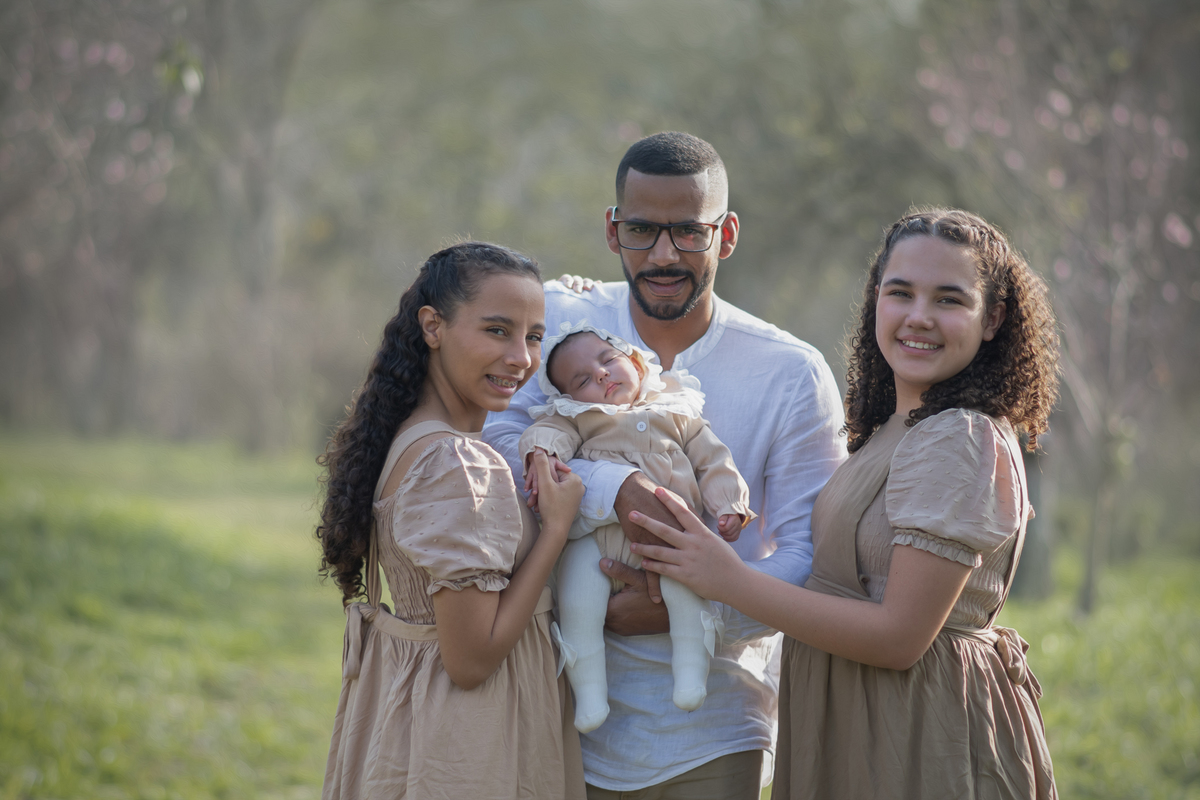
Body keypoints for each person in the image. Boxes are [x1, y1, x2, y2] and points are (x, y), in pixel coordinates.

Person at [630, 208, 1061, 799]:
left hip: (913, 733)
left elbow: (898, 636)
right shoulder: (902, 426)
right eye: (901, 292)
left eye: (949, 300)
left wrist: (726, 578)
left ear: (994, 319)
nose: (918, 317)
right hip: (857, 719)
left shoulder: (958, 436)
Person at [483, 132, 847, 798]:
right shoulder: (562, 324)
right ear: (612, 230)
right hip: (550, 714)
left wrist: (696, 611)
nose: (662, 255)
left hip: (715, 732)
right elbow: (496, 444)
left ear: (727, 234)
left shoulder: (791, 373)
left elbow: (809, 555)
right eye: (642, 231)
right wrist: (613, 486)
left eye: (688, 233)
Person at [316, 242, 587, 799]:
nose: (521, 358)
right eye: (496, 331)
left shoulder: (414, 434)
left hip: (420, 727)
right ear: (433, 327)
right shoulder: (458, 463)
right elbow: (471, 658)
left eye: (534, 336)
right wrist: (555, 530)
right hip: (468, 742)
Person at [518, 323, 754, 733]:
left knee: (687, 597)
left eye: (607, 361)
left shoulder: (676, 409)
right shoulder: (579, 419)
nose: (602, 375)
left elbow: (713, 459)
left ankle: (691, 672)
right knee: (578, 601)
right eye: (583, 380)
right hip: (596, 541)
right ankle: (589, 691)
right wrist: (541, 452)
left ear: (632, 359)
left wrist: (729, 504)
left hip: (673, 538)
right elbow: (545, 432)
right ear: (568, 398)